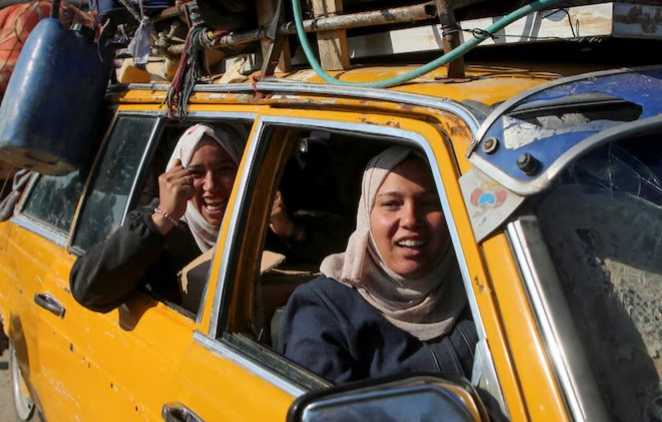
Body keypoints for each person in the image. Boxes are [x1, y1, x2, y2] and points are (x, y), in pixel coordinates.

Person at [278, 146, 476, 385]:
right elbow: (332, 418)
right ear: (365, 216)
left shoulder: (481, 287)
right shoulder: (322, 310)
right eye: (391, 204)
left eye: (429, 203)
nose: (411, 219)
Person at [71, 123, 246, 313]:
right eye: (196, 173)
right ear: (176, 178)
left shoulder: (258, 220)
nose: (211, 186)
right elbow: (88, 290)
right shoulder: (159, 228)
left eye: (225, 170)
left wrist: (283, 231)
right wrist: (163, 218)